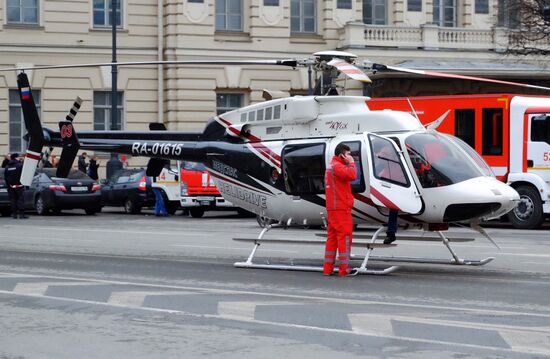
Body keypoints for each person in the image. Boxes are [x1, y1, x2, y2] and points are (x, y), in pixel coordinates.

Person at [323, 143, 357, 277]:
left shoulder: (331, 166)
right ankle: (344, 270)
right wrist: (352, 163)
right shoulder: (338, 166)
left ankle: (327, 269)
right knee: (345, 238)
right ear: (341, 155)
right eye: (348, 154)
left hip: (333, 208)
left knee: (332, 238)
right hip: (341, 208)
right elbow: (352, 175)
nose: (350, 157)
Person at [374, 143, 400, 244]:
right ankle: (390, 231)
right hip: (391, 185)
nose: (381, 157)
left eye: (384, 154)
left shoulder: (393, 165)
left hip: (396, 187)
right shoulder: (385, 166)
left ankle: (391, 232)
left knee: (393, 209)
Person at [4, 153, 27, 219]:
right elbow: (24, 175)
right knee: (21, 199)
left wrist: (9, 185)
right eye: (18, 157)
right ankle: (22, 214)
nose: (19, 158)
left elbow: (6, 177)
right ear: (16, 158)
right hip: (19, 185)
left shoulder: (7, 167)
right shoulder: (20, 165)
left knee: (13, 200)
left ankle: (14, 214)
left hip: (11, 186)